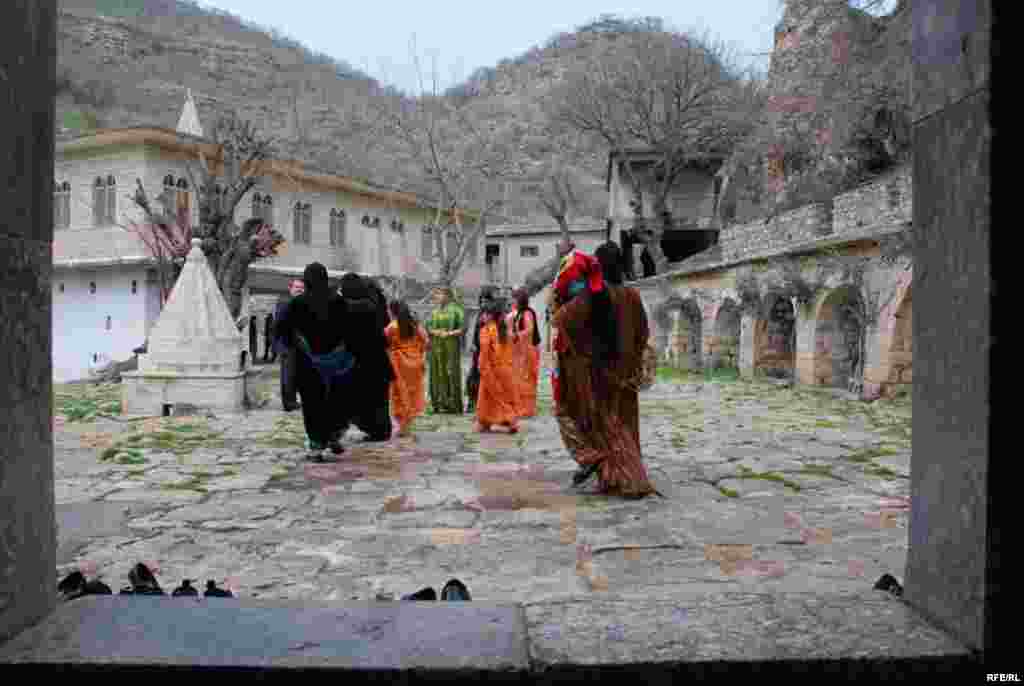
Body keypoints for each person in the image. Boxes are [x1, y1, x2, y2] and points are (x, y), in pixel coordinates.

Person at [550, 242, 658, 498]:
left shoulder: (592, 296)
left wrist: (558, 298)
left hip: (598, 375)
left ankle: (626, 478)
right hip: (627, 374)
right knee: (625, 425)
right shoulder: (632, 295)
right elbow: (642, 333)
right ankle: (617, 474)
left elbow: (560, 320)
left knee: (602, 425)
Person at [273, 263, 353, 460]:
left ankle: (317, 446)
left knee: (312, 404)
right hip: (337, 362)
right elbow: (350, 330)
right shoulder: (339, 302)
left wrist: (293, 345)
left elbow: (281, 329)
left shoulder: (297, 303)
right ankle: (334, 437)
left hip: (307, 362)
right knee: (335, 401)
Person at [337, 273, 395, 442]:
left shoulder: (359, 305)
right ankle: (379, 430)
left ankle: (374, 429)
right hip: (376, 359)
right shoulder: (375, 303)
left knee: (365, 397)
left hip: (363, 360)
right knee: (377, 398)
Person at [385, 300, 429, 437]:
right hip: (415, 362)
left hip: (398, 363)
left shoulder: (392, 327)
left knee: (399, 394)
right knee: (412, 392)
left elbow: (386, 344)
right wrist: (418, 352)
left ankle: (403, 425)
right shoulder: (415, 325)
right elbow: (426, 342)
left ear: (392, 311)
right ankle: (407, 424)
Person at [475, 300, 519, 434]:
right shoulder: (504, 329)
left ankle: (487, 422)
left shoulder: (486, 330)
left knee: (488, 397)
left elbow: (485, 352)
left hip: (491, 368)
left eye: (484, 314)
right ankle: (510, 421)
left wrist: (481, 366)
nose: (482, 316)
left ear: (490, 316)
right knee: (504, 395)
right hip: (506, 369)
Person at [426, 286, 464, 414]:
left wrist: (449, 333)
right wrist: (434, 331)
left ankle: (453, 404)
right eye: (436, 294)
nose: (437, 297)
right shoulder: (434, 311)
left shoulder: (456, 310)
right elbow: (428, 326)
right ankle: (438, 403)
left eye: (439, 294)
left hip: (451, 345)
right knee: (436, 373)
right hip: (436, 346)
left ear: (447, 295)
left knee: (450, 372)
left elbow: (463, 328)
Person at [508, 288, 541, 418]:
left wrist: (516, 335)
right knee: (518, 379)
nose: (512, 301)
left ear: (520, 300)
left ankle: (527, 409)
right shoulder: (518, 313)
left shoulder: (527, 313)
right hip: (520, 350)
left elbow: (529, 329)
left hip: (528, 350)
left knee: (527, 379)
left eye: (514, 298)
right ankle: (520, 407)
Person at [273, 279, 304, 412]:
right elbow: (277, 325)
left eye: (302, 288)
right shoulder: (285, 302)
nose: (299, 290)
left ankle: (292, 401)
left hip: (296, 346)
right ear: (290, 288)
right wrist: (278, 346)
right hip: (287, 345)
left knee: (293, 375)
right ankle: (288, 403)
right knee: (288, 375)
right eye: (297, 287)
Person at [465, 287, 498, 413]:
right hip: (478, 350)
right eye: (482, 301)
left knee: (487, 376)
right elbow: (476, 331)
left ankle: (487, 403)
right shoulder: (480, 313)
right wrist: (473, 344)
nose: (483, 303)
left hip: (489, 351)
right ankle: (473, 401)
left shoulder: (493, 314)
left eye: (486, 301)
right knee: (473, 376)